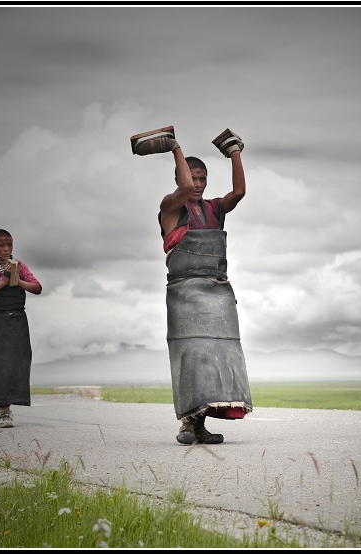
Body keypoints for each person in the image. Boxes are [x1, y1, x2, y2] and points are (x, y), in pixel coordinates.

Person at [131, 126, 253, 444]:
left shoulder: (214, 208)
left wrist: (234, 151)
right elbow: (184, 188)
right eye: (191, 178)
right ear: (179, 179)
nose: (196, 184)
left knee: (220, 358)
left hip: (217, 292)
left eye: (202, 179)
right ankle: (187, 424)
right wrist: (175, 147)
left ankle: (201, 426)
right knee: (191, 356)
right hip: (185, 292)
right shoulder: (171, 208)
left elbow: (238, 192)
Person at [0, 229, 42, 428]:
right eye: (1, 245)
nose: (6, 249)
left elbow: (37, 287)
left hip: (18, 319)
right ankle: (4, 410)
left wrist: (17, 280)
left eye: (9, 245)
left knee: (18, 363)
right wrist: (3, 282)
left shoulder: (20, 266)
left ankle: (9, 405)